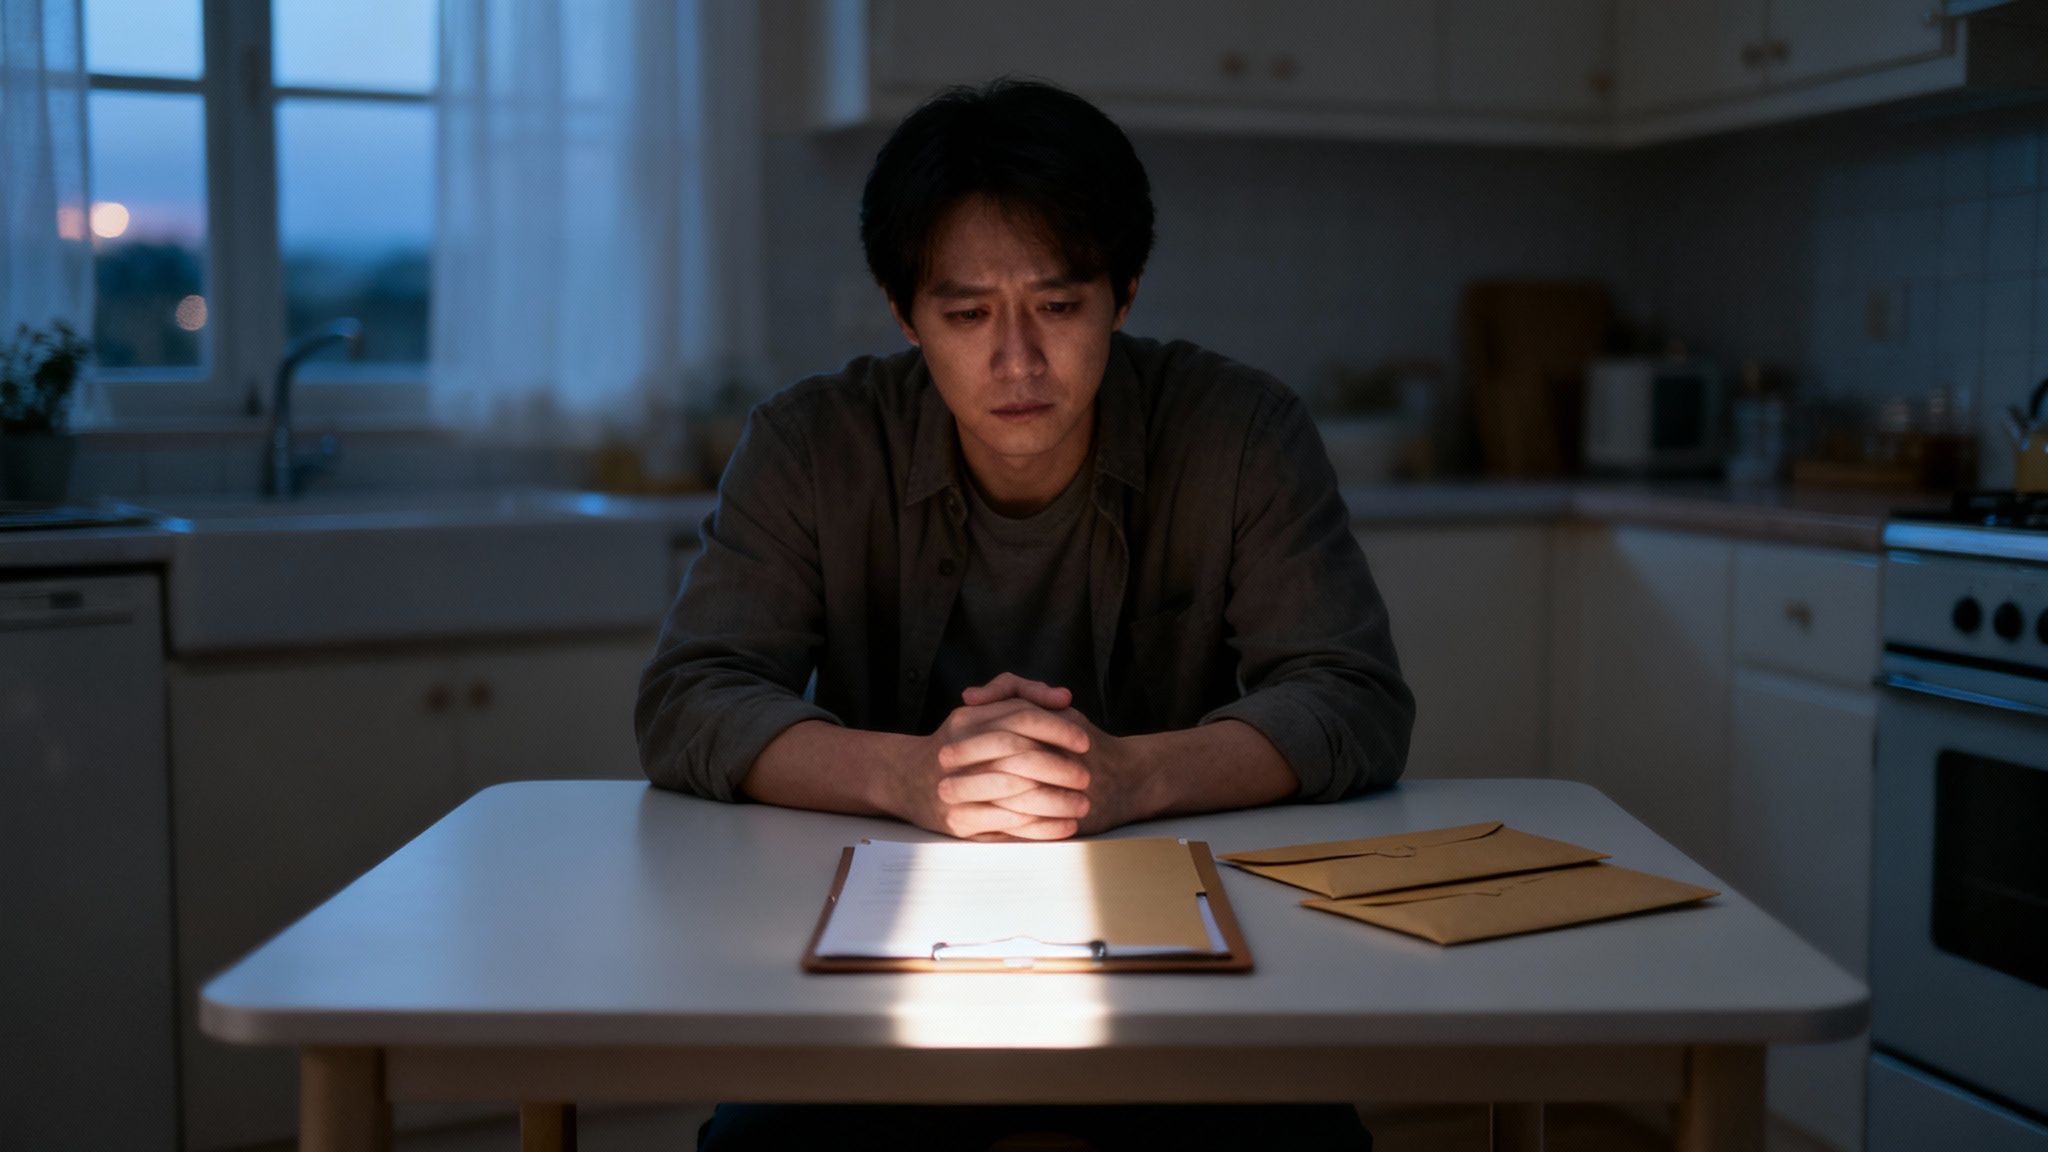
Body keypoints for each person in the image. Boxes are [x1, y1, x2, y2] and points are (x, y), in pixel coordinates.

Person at [636, 78, 1411, 1151]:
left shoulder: (1239, 431)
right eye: (964, 314)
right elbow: (688, 698)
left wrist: (1135, 773)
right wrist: (904, 775)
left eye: (1056, 306)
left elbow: (1352, 697)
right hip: (881, 965)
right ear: (902, 310)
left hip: (1189, 965)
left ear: (1124, 292)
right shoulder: (811, 444)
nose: (1016, 361)